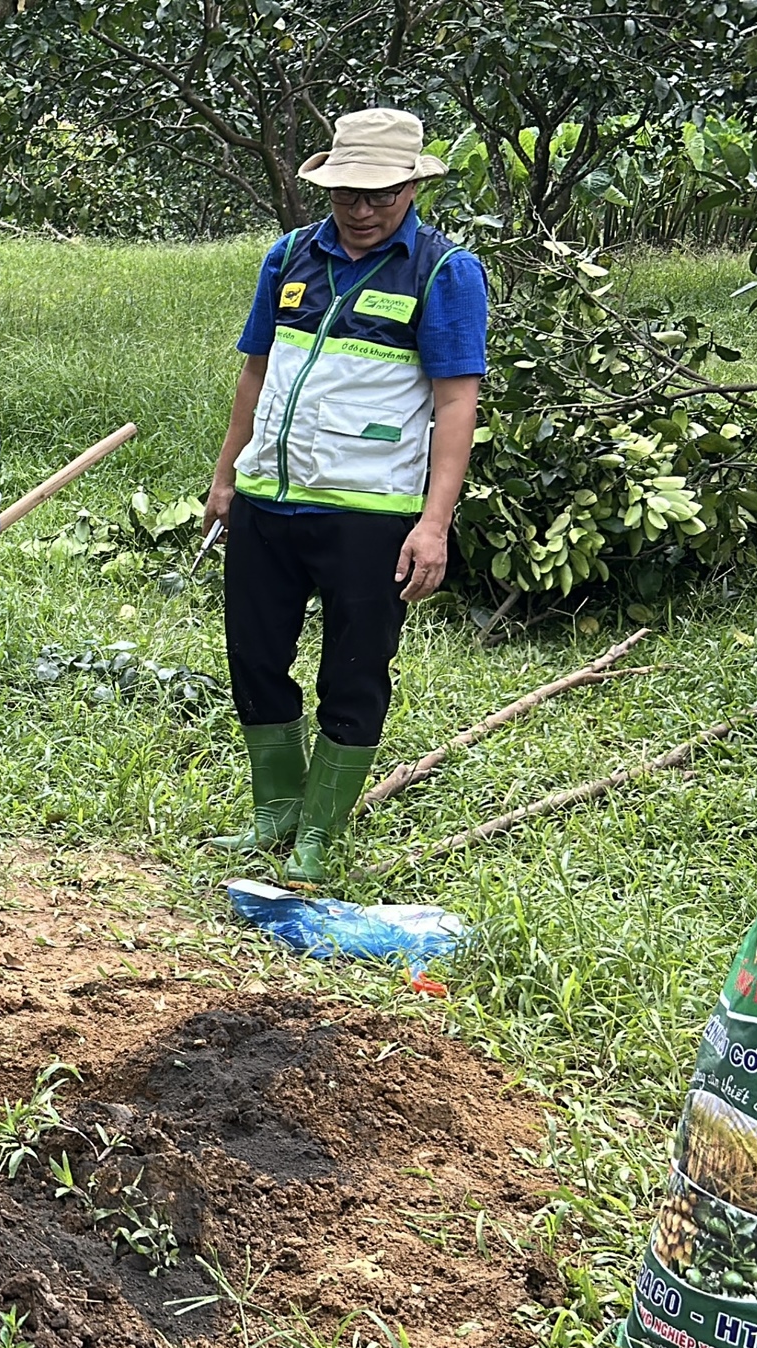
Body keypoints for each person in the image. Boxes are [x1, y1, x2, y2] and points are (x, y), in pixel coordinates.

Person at [203, 108, 488, 888]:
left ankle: (320, 834)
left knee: (354, 671)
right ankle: (275, 812)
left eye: (379, 195)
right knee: (255, 658)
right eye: (346, 194)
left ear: (411, 187)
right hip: (268, 499)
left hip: (370, 513)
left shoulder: (443, 271)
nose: (361, 210)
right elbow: (257, 372)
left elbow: (456, 403)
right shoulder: (290, 256)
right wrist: (226, 477)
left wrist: (434, 524)